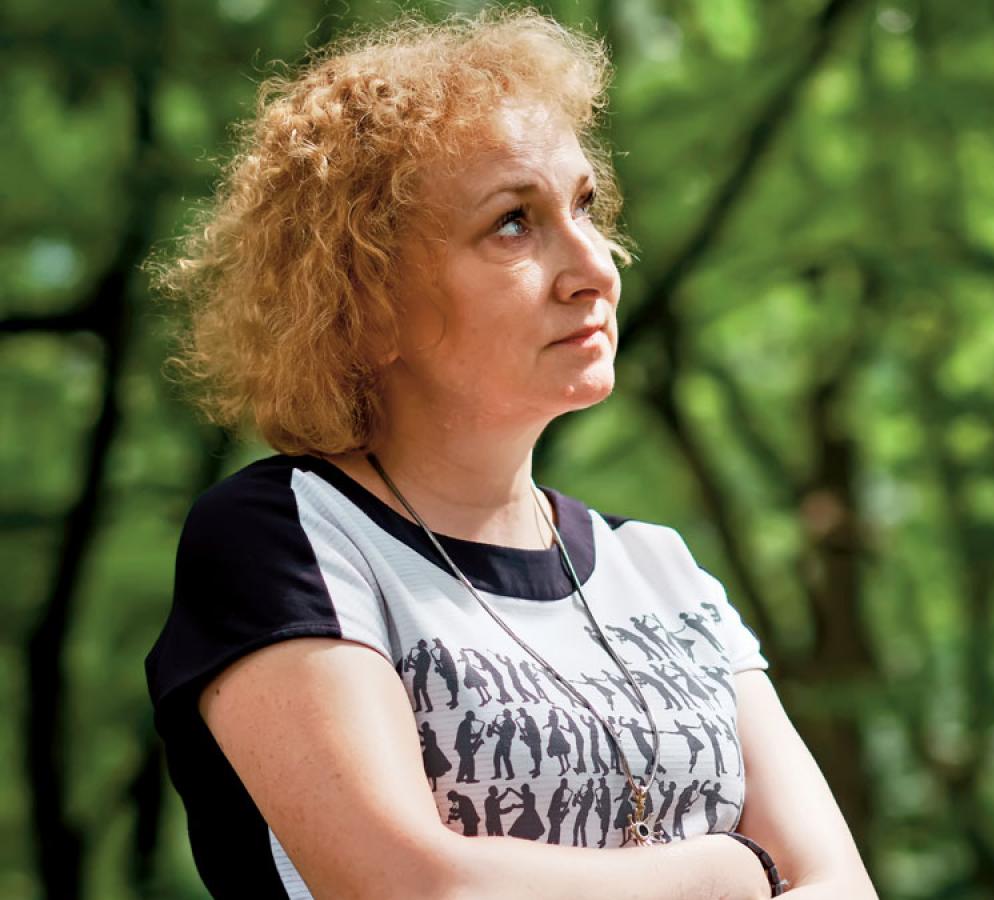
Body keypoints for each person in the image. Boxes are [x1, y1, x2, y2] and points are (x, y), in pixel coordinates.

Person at [142, 7, 875, 899]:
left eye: (585, 205)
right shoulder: (292, 537)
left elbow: (839, 885)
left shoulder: (662, 571)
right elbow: (417, 890)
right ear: (364, 304)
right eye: (514, 223)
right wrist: (727, 872)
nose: (595, 267)